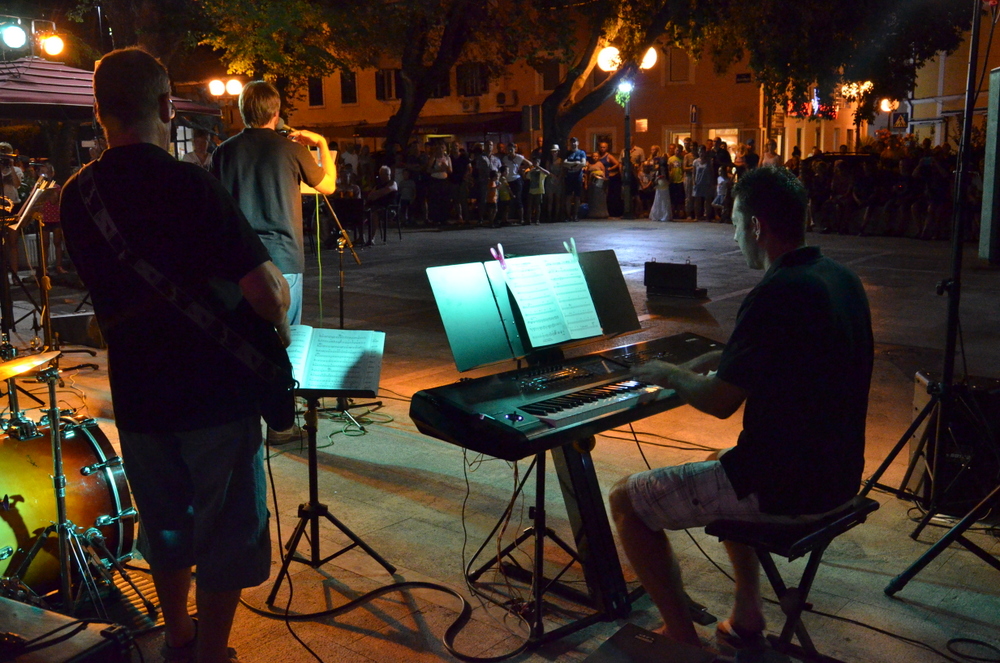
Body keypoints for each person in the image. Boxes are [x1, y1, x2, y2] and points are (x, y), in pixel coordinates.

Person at [60, 47, 291, 663]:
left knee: (164, 521)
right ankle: (211, 653)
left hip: (138, 393)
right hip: (214, 392)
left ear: (100, 111)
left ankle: (178, 637)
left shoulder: (78, 195)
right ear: (166, 106)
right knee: (226, 526)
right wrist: (280, 314)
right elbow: (265, 292)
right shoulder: (191, 183)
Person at [609, 166, 873, 655]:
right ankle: (747, 614)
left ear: (756, 226)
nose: (733, 237)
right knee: (719, 460)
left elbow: (719, 402)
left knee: (627, 500)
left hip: (786, 489)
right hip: (839, 477)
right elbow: (785, 357)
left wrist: (668, 374)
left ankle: (680, 639)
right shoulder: (839, 279)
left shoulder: (775, 292)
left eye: (734, 223)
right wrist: (717, 360)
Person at [212, 80, 336, 328]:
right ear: (276, 114)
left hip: (239, 260)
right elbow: (329, 186)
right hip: (284, 257)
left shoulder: (223, 152)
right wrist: (321, 143)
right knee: (285, 338)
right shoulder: (292, 150)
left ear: (243, 112)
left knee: (247, 336)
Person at [563, 137, 587, 221]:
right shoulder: (568, 153)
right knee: (568, 196)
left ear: (578, 143)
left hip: (578, 177)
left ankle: (575, 215)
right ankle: (568, 215)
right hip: (569, 177)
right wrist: (575, 163)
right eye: (572, 142)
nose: (573, 144)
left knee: (577, 197)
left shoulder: (581, 153)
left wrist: (574, 167)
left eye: (575, 142)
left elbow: (583, 163)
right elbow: (564, 163)